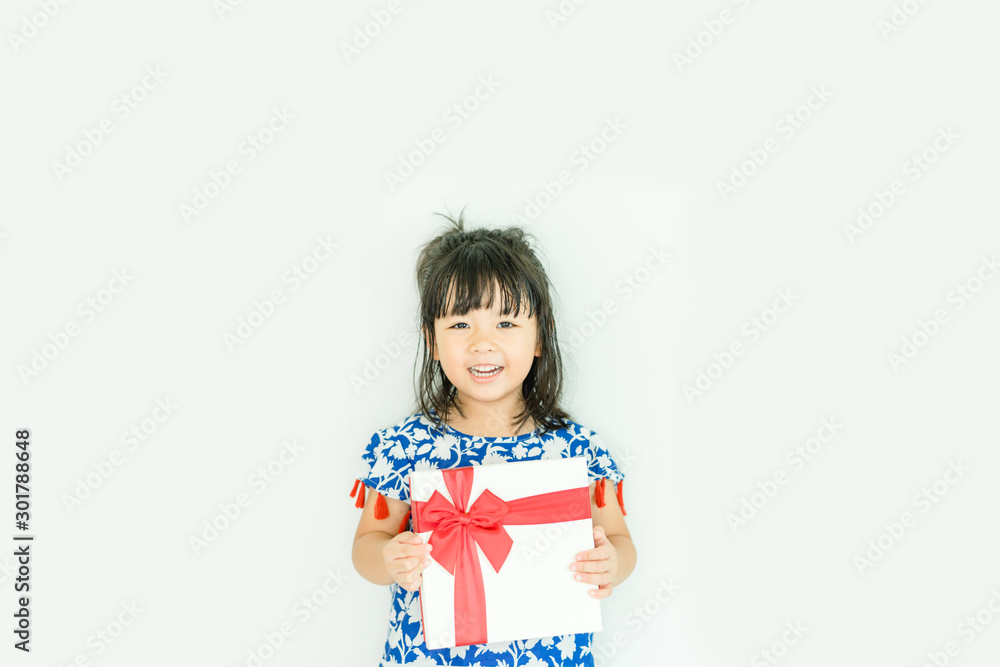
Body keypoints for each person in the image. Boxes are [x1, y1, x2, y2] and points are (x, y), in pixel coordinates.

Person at [350, 210, 636, 666]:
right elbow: (367, 542)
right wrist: (388, 557)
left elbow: (619, 539)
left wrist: (612, 564)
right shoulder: (402, 447)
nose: (483, 344)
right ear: (432, 340)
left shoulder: (578, 449)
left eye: (506, 324)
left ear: (540, 337)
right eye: (460, 325)